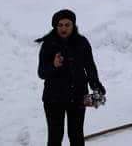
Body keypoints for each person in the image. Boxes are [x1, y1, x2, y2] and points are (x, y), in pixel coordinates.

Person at [36, 9, 105, 146]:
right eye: (60, 25)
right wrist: (53, 65)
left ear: (73, 25)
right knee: (55, 136)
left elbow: (90, 67)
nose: (64, 28)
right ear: (55, 26)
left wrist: (96, 86)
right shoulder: (48, 44)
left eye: (67, 25)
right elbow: (41, 73)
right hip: (53, 99)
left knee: (76, 135)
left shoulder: (82, 42)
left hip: (78, 96)